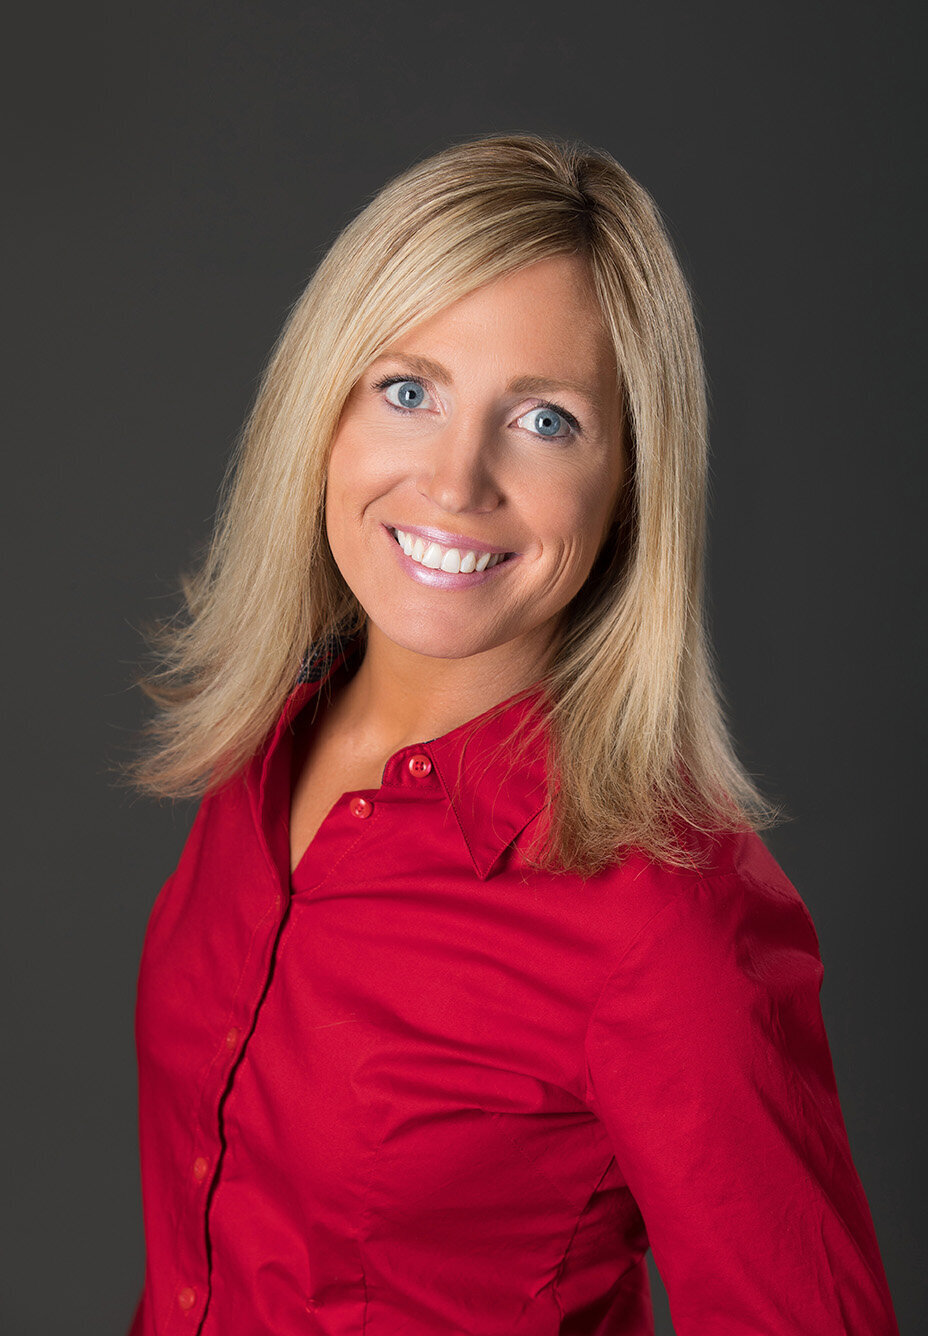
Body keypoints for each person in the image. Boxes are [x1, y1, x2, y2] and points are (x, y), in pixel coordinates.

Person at [126, 134, 899, 1335]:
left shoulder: (663, 916)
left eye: (543, 419)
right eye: (407, 390)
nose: (454, 479)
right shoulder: (268, 743)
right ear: (321, 407)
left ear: (627, 482)